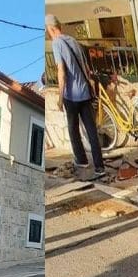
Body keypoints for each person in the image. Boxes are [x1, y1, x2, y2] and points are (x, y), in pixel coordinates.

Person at [47, 13, 105, 180]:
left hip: (71, 96)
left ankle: (82, 160)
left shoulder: (57, 43)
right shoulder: (73, 41)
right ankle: (99, 166)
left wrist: (60, 97)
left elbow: (61, 72)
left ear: (51, 29)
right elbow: (85, 68)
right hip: (85, 92)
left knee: (73, 129)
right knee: (91, 130)